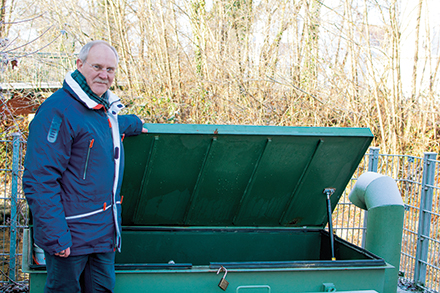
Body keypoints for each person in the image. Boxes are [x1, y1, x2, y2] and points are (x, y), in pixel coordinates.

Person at [23, 40, 148, 292]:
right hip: (70, 235)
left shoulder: (102, 110)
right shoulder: (57, 111)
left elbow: (100, 128)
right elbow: (39, 179)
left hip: (103, 233)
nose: (104, 75)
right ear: (79, 65)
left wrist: (133, 123)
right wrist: (55, 236)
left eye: (110, 69)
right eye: (97, 66)